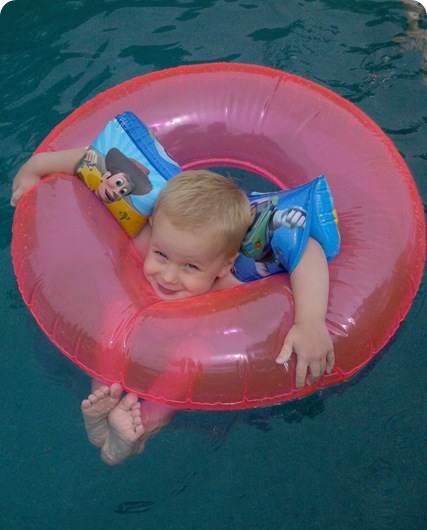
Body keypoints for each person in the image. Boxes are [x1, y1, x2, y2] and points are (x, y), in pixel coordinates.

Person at [11, 153, 335, 465]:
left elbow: (306, 249)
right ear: (153, 227)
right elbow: (92, 162)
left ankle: (139, 429)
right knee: (113, 312)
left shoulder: (231, 278)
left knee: (192, 356)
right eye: (161, 255)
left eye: (190, 266)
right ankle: (104, 403)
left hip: (185, 338)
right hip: (131, 317)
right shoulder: (145, 235)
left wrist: (310, 322)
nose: (167, 276)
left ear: (224, 264)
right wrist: (36, 166)